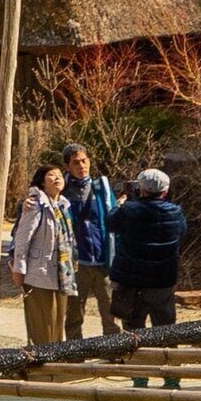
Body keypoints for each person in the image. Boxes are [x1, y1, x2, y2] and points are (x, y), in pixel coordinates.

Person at [108, 166, 191, 340]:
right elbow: (182, 234)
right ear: (165, 191)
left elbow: (111, 224)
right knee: (165, 329)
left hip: (131, 281)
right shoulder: (176, 212)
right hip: (162, 279)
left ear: (141, 189)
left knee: (132, 332)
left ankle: (137, 364)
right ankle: (167, 362)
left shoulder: (129, 210)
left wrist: (119, 205)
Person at [6, 163, 78, 346]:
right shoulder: (35, 205)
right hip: (39, 274)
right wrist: (18, 269)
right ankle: (41, 367)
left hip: (62, 275)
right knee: (42, 325)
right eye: (51, 175)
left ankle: (53, 365)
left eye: (60, 175)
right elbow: (22, 239)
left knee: (56, 325)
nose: (57, 178)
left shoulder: (62, 206)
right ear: (42, 182)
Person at [60, 144, 119, 336]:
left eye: (84, 161)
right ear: (67, 166)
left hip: (102, 258)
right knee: (75, 312)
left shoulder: (101, 187)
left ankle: (114, 352)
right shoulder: (61, 191)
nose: (81, 166)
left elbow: (112, 218)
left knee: (110, 310)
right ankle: (75, 355)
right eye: (75, 162)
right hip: (77, 262)